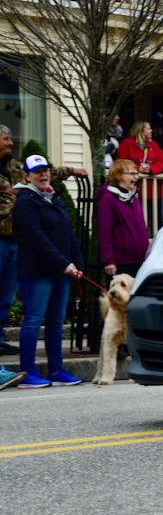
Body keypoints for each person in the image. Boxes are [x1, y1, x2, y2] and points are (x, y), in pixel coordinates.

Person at [0, 125, 86, 390]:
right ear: (27, 176)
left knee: (57, 322)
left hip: (61, 271)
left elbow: (67, 233)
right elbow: (38, 239)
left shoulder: (54, 199)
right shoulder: (26, 201)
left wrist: (77, 263)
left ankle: (56, 369)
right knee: (33, 320)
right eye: (38, 172)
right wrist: (64, 264)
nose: (44, 175)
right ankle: (27, 373)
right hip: (37, 271)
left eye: (45, 170)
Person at [96, 159, 149, 281]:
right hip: (121, 262)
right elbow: (104, 233)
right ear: (118, 176)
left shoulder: (134, 198)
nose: (136, 177)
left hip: (139, 259)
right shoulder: (108, 199)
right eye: (131, 174)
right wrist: (108, 260)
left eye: (136, 174)